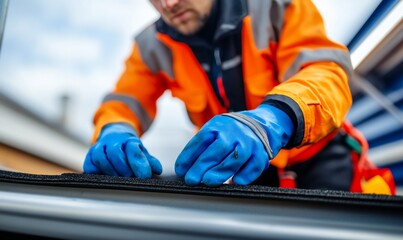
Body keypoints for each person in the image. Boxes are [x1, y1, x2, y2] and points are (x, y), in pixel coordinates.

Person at [83, 0, 395, 193]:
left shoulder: (276, 4)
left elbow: (325, 72)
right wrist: (114, 129)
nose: (169, 3)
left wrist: (273, 120)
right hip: (248, 170)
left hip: (322, 159)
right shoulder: (152, 46)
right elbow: (125, 100)